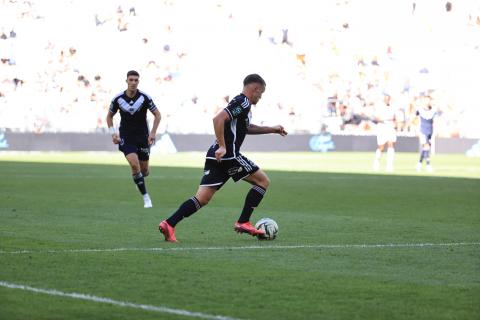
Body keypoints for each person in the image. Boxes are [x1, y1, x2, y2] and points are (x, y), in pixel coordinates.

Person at [158, 74, 287, 242]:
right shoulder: (243, 102)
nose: (260, 97)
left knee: (202, 198)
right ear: (255, 89)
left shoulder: (241, 105)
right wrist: (223, 145)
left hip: (215, 155)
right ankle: (243, 221)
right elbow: (218, 118)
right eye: (260, 93)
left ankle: (169, 224)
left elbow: (246, 128)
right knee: (263, 181)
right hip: (228, 155)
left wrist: (272, 129)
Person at [106, 70, 161, 208]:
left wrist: (153, 133)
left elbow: (158, 115)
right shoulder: (118, 99)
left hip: (143, 136)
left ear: (138, 82)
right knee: (134, 165)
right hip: (126, 136)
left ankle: (139, 181)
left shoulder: (145, 98)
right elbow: (109, 117)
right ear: (126, 81)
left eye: (136, 80)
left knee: (144, 172)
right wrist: (113, 134)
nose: (133, 83)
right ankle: (146, 198)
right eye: (131, 80)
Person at [373, 94, 397, 172]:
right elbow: (376, 117)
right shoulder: (379, 107)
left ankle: (389, 165)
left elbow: (395, 118)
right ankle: (377, 161)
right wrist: (385, 120)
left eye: (388, 99)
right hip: (382, 127)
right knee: (381, 147)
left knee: (391, 144)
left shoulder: (393, 107)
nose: (387, 100)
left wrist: (395, 123)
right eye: (386, 99)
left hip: (390, 127)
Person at [415, 96, 436, 172]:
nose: (428, 102)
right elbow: (414, 117)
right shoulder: (420, 109)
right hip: (422, 130)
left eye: (429, 100)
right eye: (426, 100)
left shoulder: (433, 110)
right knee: (426, 146)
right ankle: (428, 164)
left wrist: (435, 130)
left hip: (430, 130)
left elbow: (435, 120)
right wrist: (416, 128)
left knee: (426, 148)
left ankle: (419, 163)